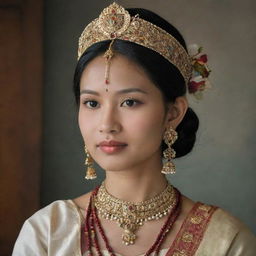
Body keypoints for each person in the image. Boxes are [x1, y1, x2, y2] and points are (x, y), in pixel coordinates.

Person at [12, 2, 256, 256]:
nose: (107, 124)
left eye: (130, 102)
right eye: (92, 103)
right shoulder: (48, 232)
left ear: (173, 113)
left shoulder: (225, 241)